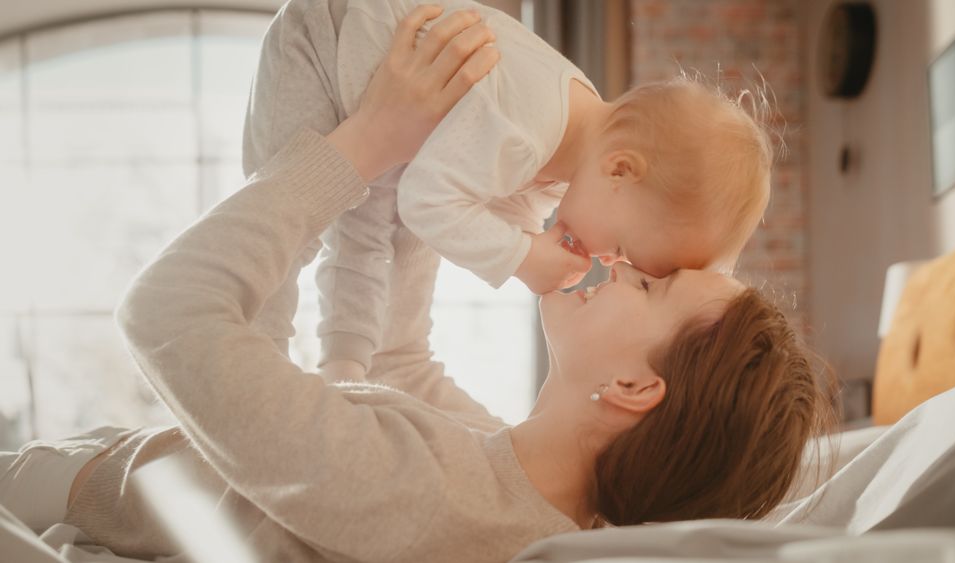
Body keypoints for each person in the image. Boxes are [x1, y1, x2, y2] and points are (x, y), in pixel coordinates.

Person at [0, 6, 831, 563]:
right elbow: (390, 366)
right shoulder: (528, 488)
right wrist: (431, 154)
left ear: (631, 386)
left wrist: (369, 140)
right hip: (117, 464)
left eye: (649, 287)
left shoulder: (442, 504)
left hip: (66, 497)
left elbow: (165, 311)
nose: (616, 266)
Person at [241, 0, 775, 382]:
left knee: (365, 234)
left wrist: (528, 245)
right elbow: (426, 202)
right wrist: (520, 257)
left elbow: (509, 209)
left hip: (383, 116)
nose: (609, 260)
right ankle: (254, 371)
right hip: (324, 44)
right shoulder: (528, 129)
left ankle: (344, 371)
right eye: (625, 249)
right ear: (620, 171)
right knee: (286, 233)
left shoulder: (566, 154)